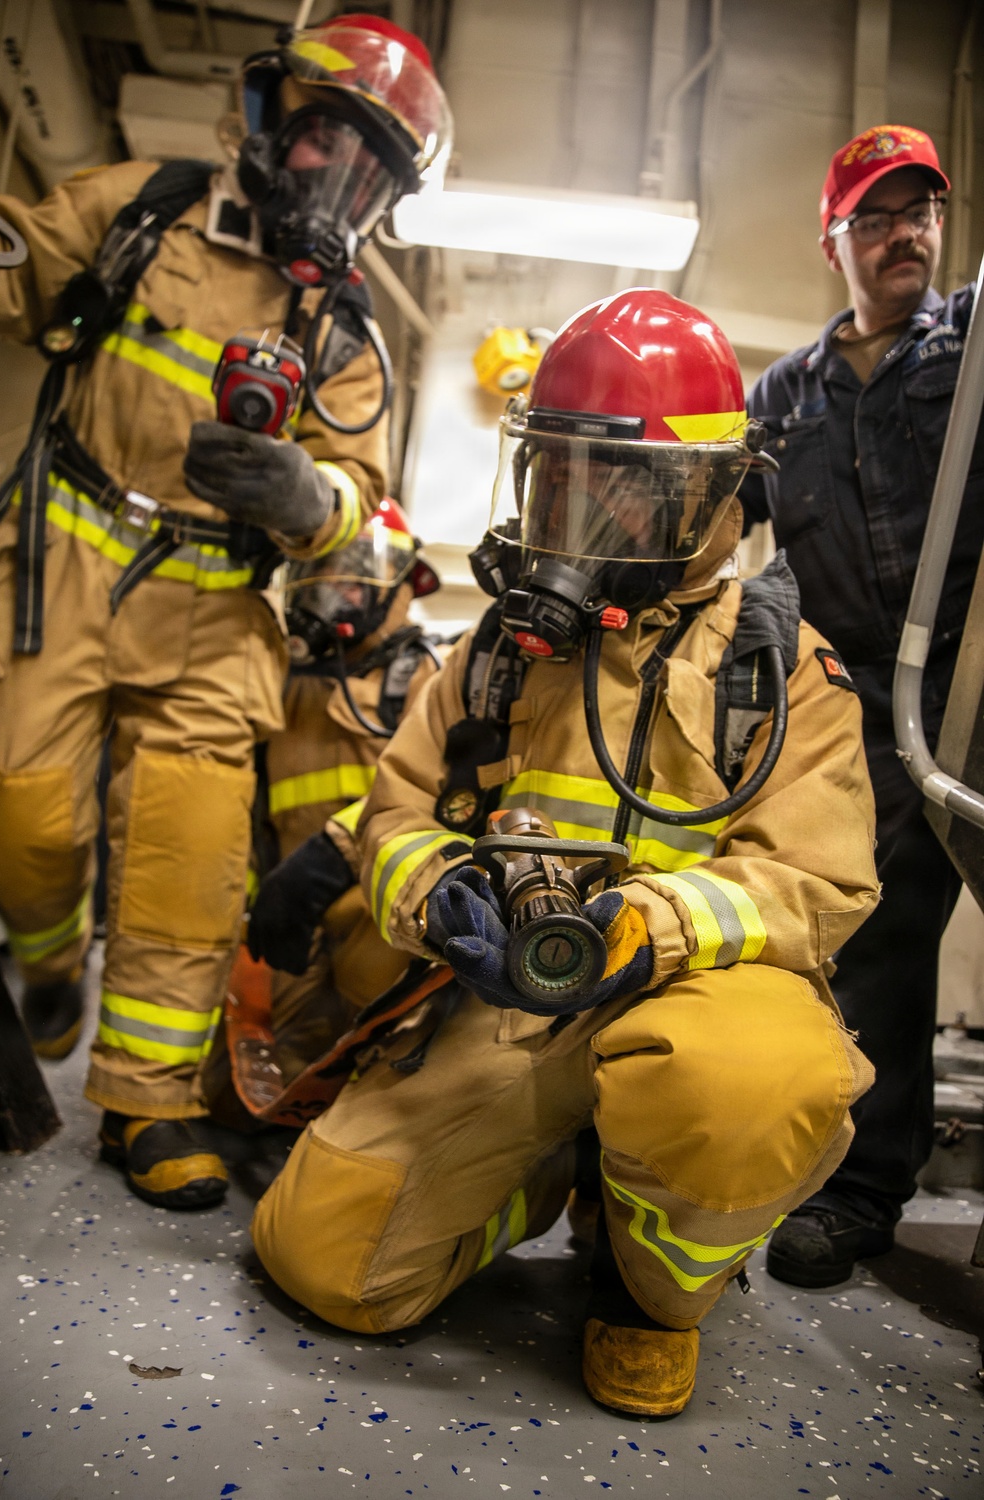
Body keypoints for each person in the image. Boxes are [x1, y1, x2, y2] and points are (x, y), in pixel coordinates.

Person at [251, 288, 879, 1419]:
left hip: (696, 1004)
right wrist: (440, 893)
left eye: (622, 493)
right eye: (558, 476)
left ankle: (646, 1287)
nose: (579, 514)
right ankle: (554, 1161)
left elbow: (817, 883)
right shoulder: (495, 653)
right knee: (326, 1263)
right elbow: (396, 814)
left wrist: (653, 928)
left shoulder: (781, 673)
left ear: (712, 500)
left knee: (747, 1087)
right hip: (510, 1005)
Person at [0, 14, 451, 1208]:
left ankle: (145, 1105)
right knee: (21, 812)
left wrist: (312, 494)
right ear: (267, 119)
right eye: (321, 144)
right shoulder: (145, 209)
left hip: (221, 606)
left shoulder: (343, 332)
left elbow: (372, 510)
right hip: (64, 561)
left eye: (366, 172)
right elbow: (19, 260)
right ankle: (47, 953)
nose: (330, 182)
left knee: (187, 857)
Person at [740, 124, 983, 1288]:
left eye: (921, 212)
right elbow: (715, 533)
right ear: (830, 239)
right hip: (859, 701)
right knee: (877, 941)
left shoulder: (976, 346)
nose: (906, 235)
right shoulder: (783, 396)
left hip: (975, 681)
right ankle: (860, 1192)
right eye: (878, 217)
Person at [210, 498, 443, 1110]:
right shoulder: (282, 677)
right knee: (238, 1092)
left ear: (403, 585)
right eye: (325, 570)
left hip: (374, 905)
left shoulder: (425, 683)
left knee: (375, 1045)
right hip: (288, 900)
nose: (335, 588)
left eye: (356, 571)